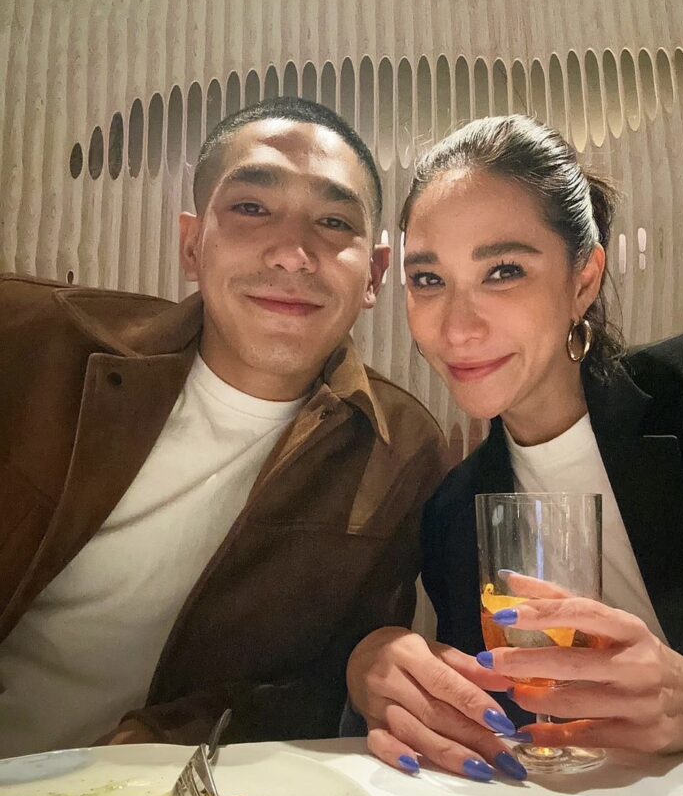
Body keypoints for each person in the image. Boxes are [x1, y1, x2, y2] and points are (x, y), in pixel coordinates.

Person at [347, 114, 683, 782]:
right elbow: (506, 728)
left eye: (503, 271)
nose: (457, 327)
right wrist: (376, 669)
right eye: (428, 280)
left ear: (584, 279)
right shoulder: (453, 514)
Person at [0, 97, 446, 758]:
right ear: (193, 244)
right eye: (252, 208)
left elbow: (319, 684)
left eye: (333, 221)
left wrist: (161, 740)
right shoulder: (34, 343)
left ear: (375, 274)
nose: (292, 254)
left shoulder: (398, 451)